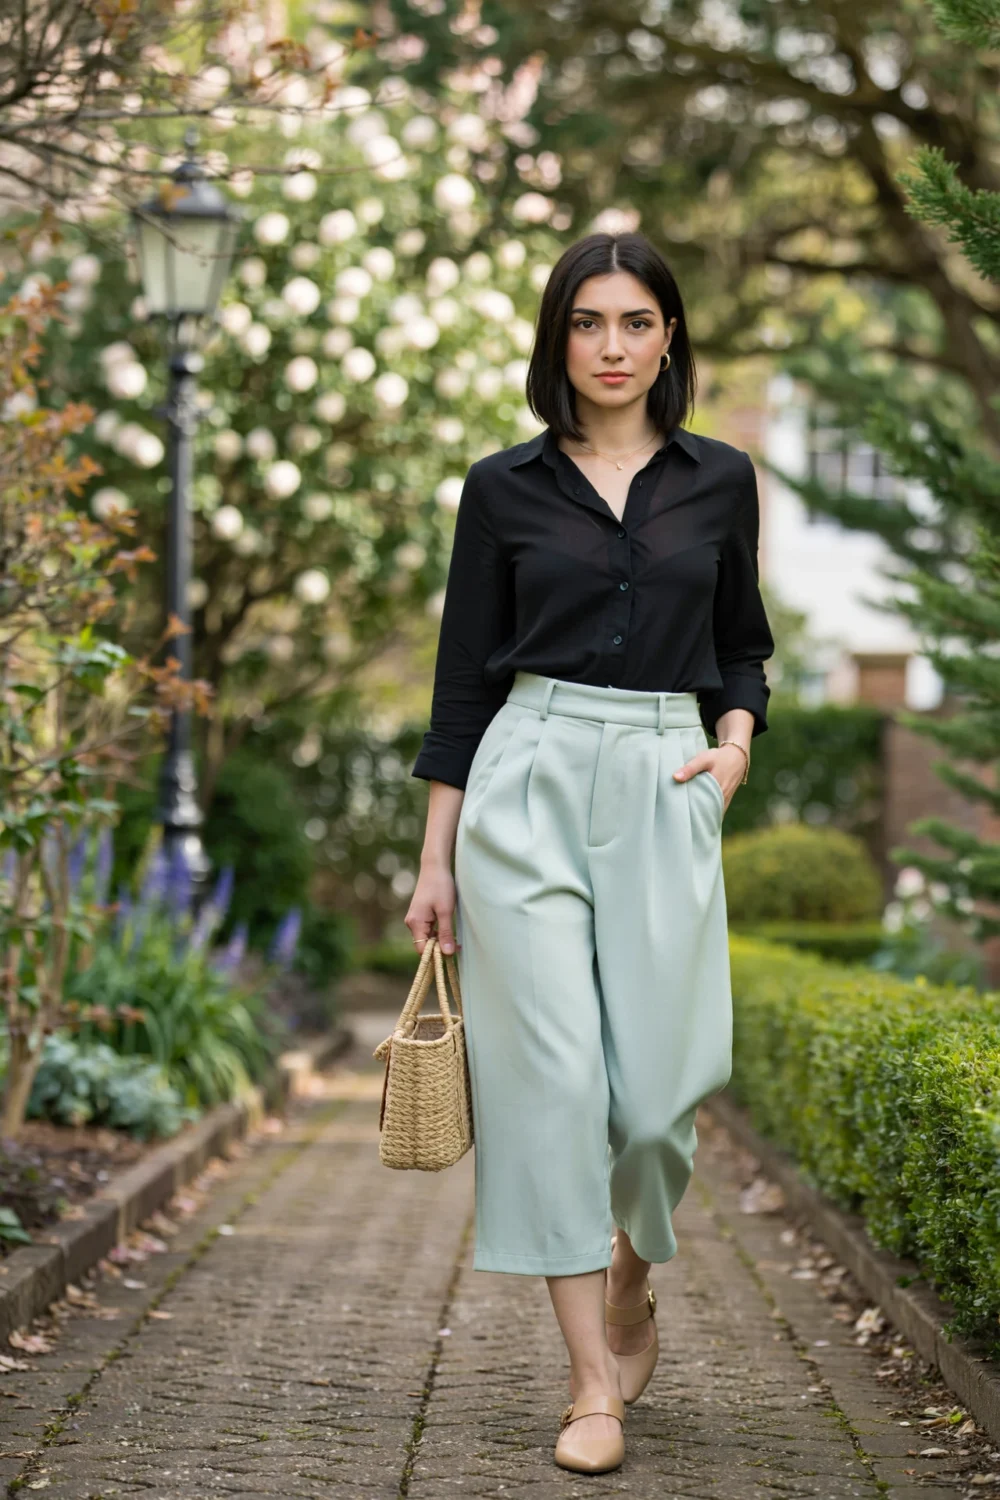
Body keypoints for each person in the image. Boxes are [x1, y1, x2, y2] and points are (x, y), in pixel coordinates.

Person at [405, 230, 774, 1475]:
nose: (610, 348)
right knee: (552, 1087)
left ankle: (631, 1276)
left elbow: (744, 647)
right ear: (554, 336)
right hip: (528, 776)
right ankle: (587, 1387)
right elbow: (463, 685)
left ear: (669, 337)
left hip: (667, 772)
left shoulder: (720, 480)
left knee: (661, 1100)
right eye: (586, 323)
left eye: (634, 323)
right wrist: (435, 861)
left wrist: (730, 746)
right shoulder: (501, 489)